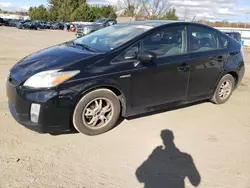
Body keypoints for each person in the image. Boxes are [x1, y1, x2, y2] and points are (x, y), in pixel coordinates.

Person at [136, 130, 201, 188]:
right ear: (173, 138)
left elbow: (139, 175)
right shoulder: (185, 158)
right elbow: (195, 181)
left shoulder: (155, 157)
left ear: (162, 139)